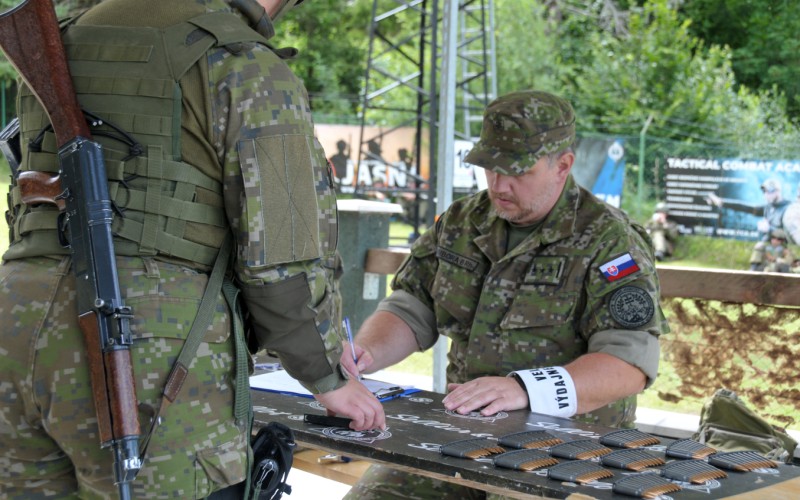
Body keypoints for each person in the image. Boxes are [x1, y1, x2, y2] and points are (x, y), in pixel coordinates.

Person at [0, 1, 384, 498]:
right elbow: (281, 262)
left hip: (15, 323)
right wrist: (328, 376)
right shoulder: (243, 61)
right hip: (145, 344)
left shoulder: (64, 33)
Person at [341, 90, 669, 499]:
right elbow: (412, 306)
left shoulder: (609, 241)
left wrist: (526, 389)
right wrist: (365, 353)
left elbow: (628, 363)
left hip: (573, 451)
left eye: (517, 171)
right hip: (463, 435)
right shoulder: (462, 222)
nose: (499, 184)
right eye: (490, 167)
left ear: (562, 165)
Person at [706, 178, 792, 271]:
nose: (766, 195)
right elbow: (747, 208)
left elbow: (793, 233)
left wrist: (769, 229)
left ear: (778, 191)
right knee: (759, 253)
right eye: (764, 192)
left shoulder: (789, 208)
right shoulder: (769, 207)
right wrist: (722, 203)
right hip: (767, 247)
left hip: (783, 249)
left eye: (769, 192)